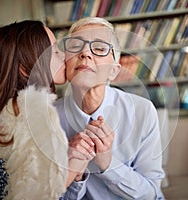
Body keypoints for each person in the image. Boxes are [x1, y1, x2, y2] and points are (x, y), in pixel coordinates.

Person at [0, 20, 94, 200]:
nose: (63, 55)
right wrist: (76, 163)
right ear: (25, 68)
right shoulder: (31, 113)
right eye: (54, 51)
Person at [55, 17, 165, 199]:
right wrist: (74, 174)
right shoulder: (49, 117)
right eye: (75, 46)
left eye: (99, 48)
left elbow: (151, 193)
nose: (85, 53)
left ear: (114, 70)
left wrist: (108, 163)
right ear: (65, 63)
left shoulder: (142, 111)